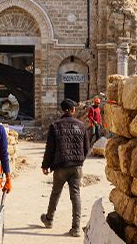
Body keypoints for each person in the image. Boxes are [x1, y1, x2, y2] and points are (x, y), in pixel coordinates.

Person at [40, 98, 89, 237]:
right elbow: (86, 148)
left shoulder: (55, 126)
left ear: (63, 110)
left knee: (55, 193)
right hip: (76, 167)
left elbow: (50, 149)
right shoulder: (81, 125)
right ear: (73, 110)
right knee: (76, 195)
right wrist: (79, 161)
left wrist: (45, 165)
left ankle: (49, 219)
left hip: (61, 166)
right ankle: (76, 228)